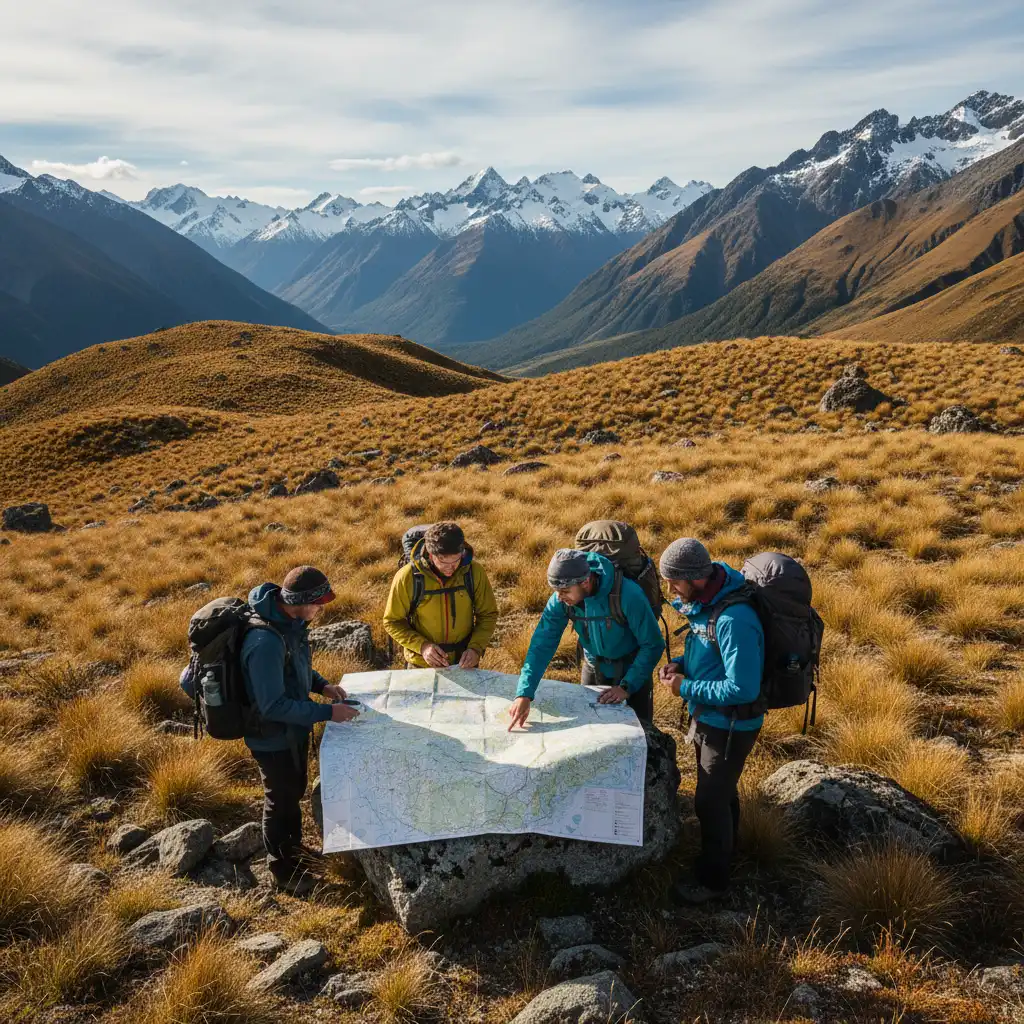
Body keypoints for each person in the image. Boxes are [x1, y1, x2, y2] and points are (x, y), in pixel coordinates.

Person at [656, 538, 764, 899]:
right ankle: (729, 850)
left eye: (674, 581)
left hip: (731, 725)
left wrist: (686, 688)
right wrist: (682, 666)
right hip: (711, 718)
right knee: (721, 793)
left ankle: (713, 882)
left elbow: (743, 687)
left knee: (709, 802)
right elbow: (708, 655)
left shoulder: (735, 619)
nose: (670, 588)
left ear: (694, 577)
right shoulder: (705, 604)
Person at [242, 565, 359, 895]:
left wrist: (321, 685)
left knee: (292, 792)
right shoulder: (264, 641)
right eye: (318, 604)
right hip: (270, 735)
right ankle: (283, 871)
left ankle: (292, 851)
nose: (321, 611)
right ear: (300, 601)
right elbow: (272, 705)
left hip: (289, 730)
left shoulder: (290, 623)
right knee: (279, 799)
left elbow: (296, 667)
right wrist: (327, 712)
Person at [508, 548, 664, 730]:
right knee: (592, 731)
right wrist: (524, 694)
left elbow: (653, 644)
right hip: (593, 666)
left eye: (565, 591)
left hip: (633, 670)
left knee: (639, 735)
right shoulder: (561, 600)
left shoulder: (629, 595)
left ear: (586, 581)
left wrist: (627, 687)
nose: (559, 597)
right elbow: (541, 644)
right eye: (556, 590)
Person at [383, 521, 499, 670]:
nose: (451, 568)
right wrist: (423, 647)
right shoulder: (407, 577)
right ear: (431, 555)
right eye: (443, 562)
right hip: (422, 665)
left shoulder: (474, 572)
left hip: (464, 664)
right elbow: (392, 621)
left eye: (457, 560)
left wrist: (476, 649)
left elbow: (488, 614)